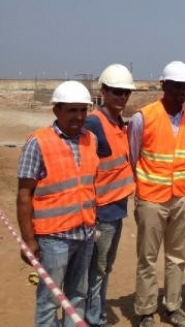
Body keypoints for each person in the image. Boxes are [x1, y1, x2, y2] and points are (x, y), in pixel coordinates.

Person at [16, 80, 98, 326]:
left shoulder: (91, 139)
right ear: (56, 110)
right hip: (54, 239)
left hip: (84, 233)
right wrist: (29, 240)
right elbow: (24, 195)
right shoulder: (38, 142)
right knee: (49, 300)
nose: (79, 116)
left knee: (78, 295)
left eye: (83, 110)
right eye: (72, 110)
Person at [129, 61, 185, 327]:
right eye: (176, 86)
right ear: (163, 85)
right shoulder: (143, 117)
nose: (182, 91)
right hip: (151, 198)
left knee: (176, 257)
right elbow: (133, 156)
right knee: (147, 257)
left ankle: (173, 306)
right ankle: (146, 310)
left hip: (183, 197)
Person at [85, 64, 137, 327]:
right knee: (97, 269)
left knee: (103, 268)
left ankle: (95, 315)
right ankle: (93, 318)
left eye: (126, 92)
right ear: (103, 91)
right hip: (100, 212)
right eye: (117, 91)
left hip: (115, 209)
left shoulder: (119, 123)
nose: (122, 97)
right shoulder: (94, 123)